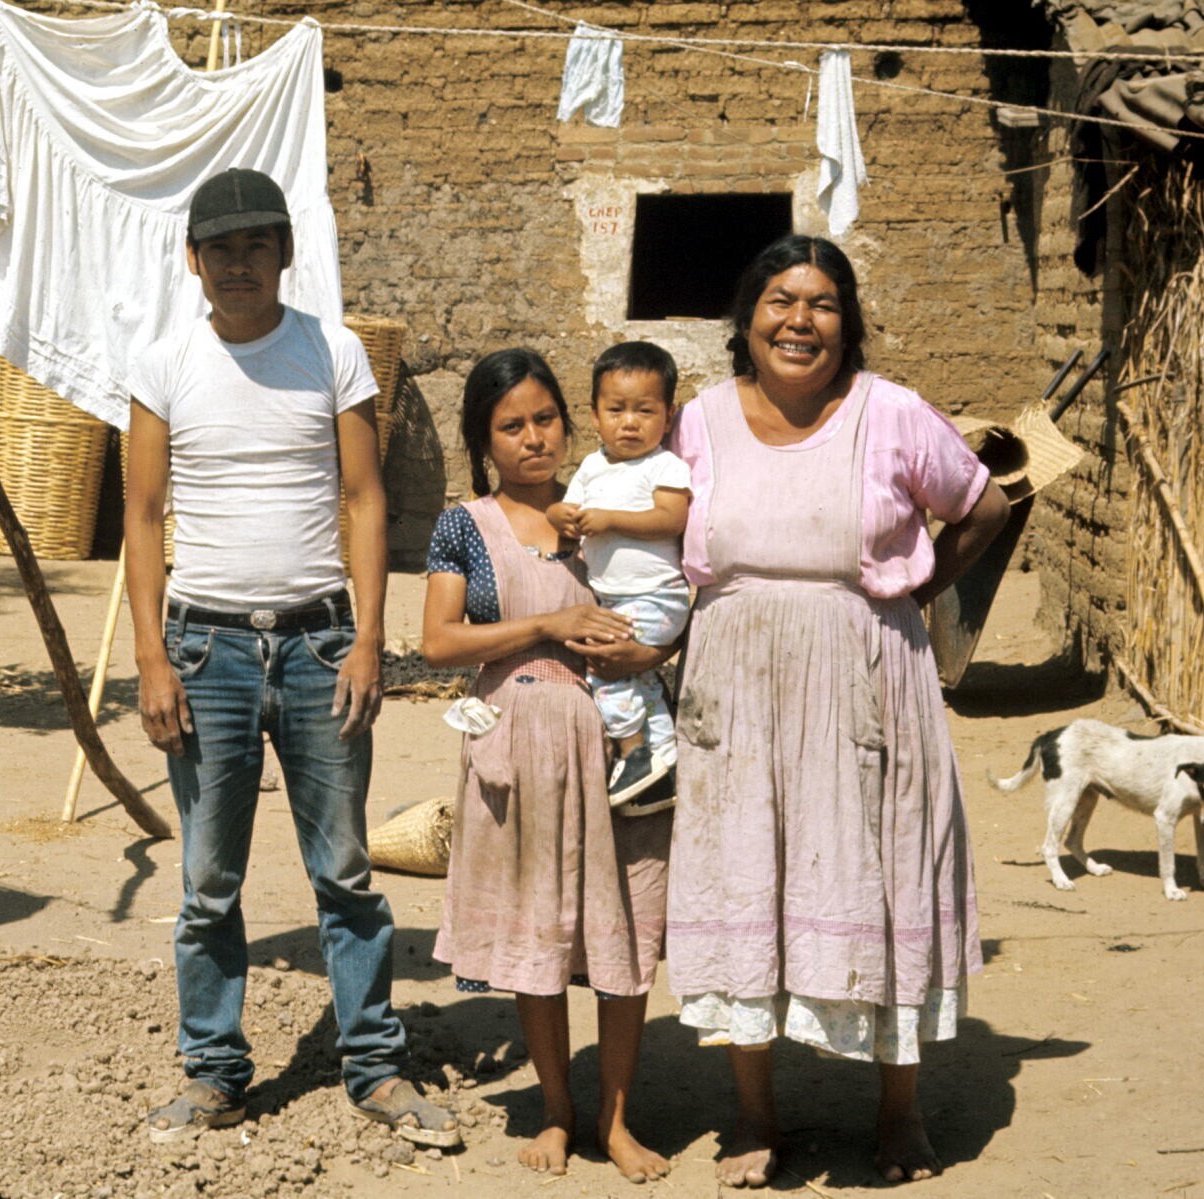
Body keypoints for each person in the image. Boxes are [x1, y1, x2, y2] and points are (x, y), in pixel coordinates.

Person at [664, 235, 1010, 1188]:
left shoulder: (891, 413)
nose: (799, 321)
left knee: (884, 872)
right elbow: (645, 526)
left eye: (822, 303)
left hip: (868, 680)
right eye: (780, 300)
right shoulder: (697, 423)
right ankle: (754, 1116)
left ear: (847, 324)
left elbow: (984, 507)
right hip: (735, 686)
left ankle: (900, 1114)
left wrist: (912, 590)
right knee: (743, 873)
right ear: (746, 317)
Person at [124, 168, 458, 1148]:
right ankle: (215, 1072)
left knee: (344, 869)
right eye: (221, 249)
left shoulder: (332, 350)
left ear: (285, 253)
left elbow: (365, 497)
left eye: (256, 246)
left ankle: (374, 1064)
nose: (239, 265)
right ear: (193, 259)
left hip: (320, 644)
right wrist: (151, 657)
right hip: (205, 648)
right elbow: (141, 515)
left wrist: (368, 639)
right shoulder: (163, 363)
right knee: (207, 882)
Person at [422, 348, 674, 1184]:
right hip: (519, 744)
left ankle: (617, 1118)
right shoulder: (465, 526)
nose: (533, 438)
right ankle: (558, 1110)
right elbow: (438, 641)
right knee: (539, 931)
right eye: (511, 426)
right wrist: (548, 626)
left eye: (545, 419)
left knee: (624, 927)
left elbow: (672, 596)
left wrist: (651, 651)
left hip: (620, 746)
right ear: (483, 440)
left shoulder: (608, 506)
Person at [547, 341, 691, 805]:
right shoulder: (593, 466)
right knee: (639, 679)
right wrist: (558, 516)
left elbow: (671, 518)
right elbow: (565, 509)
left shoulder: (664, 465)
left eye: (644, 411)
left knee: (604, 665)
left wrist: (610, 520)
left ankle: (632, 751)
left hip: (656, 597)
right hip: (616, 599)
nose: (629, 422)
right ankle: (664, 757)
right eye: (616, 410)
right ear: (594, 415)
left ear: (668, 417)